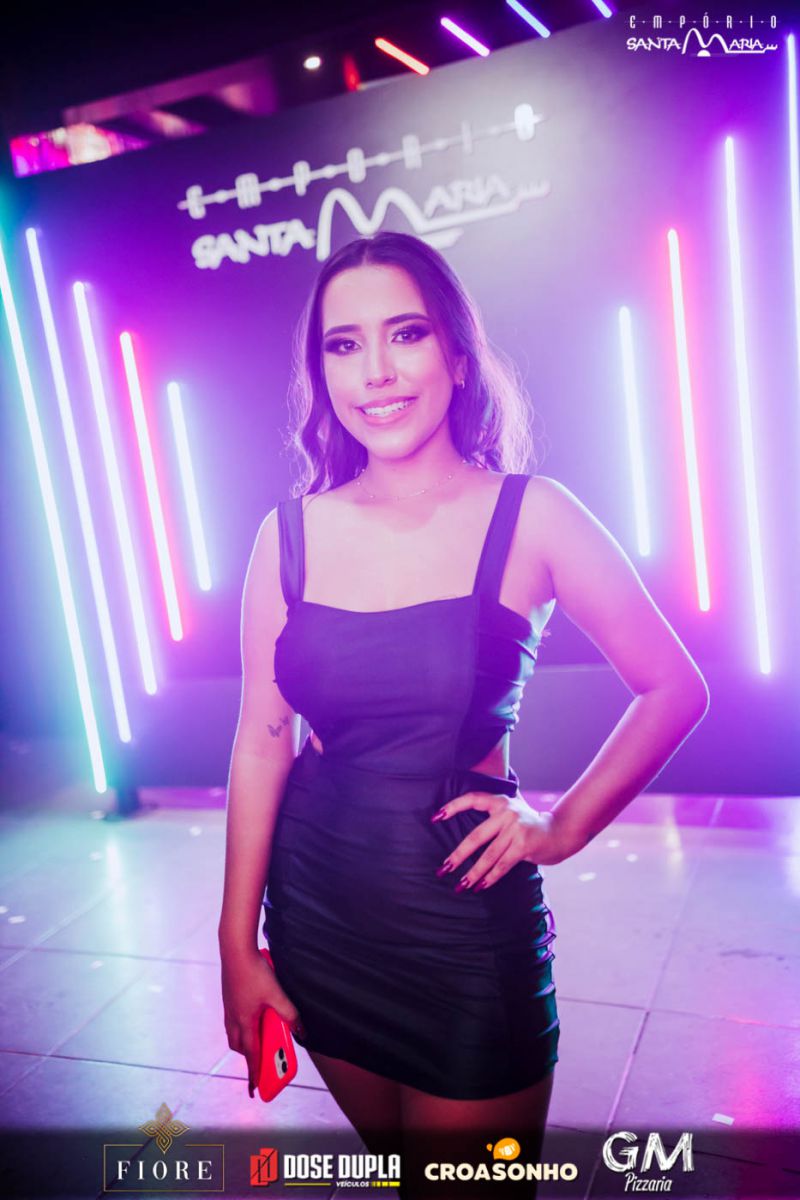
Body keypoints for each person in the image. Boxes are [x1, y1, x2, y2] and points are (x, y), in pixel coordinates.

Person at [218, 231, 709, 1198]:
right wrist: (238, 946)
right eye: (344, 345)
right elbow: (263, 740)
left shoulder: (535, 515)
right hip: (319, 922)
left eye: (404, 333)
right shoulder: (288, 536)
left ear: (455, 353)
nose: (376, 370)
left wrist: (561, 828)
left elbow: (673, 688)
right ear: (322, 372)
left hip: (466, 938)